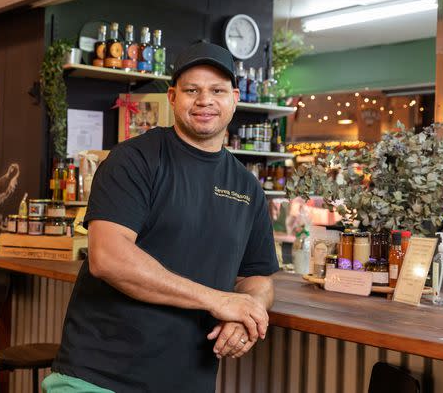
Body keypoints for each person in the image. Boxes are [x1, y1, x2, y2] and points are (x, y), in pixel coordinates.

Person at [43, 42, 279, 393]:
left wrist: (250, 312)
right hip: (100, 377)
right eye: (192, 90)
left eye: (216, 90)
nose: (204, 100)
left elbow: (257, 276)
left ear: (233, 97)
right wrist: (219, 300)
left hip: (188, 381)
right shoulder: (134, 160)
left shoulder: (247, 187)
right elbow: (108, 258)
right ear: (172, 97)